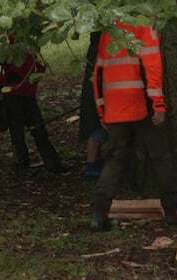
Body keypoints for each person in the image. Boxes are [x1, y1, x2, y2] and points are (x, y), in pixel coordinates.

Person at [90, 22, 177, 231]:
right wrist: (158, 105)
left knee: (116, 160)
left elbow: (97, 72)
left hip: (114, 107)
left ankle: (98, 214)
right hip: (141, 106)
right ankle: (173, 211)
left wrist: (101, 109)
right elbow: (152, 65)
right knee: (160, 156)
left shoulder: (109, 27)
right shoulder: (144, 24)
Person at [0, 46, 64, 173]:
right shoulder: (5, 45)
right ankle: (23, 164)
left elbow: (40, 66)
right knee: (18, 133)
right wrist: (6, 81)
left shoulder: (27, 44)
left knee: (37, 130)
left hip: (27, 95)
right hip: (13, 96)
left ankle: (52, 164)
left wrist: (33, 78)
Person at [79, 32, 108, 179]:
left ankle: (95, 160)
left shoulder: (96, 48)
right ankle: (91, 164)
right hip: (96, 94)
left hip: (95, 92)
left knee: (97, 128)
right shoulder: (99, 48)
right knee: (96, 129)